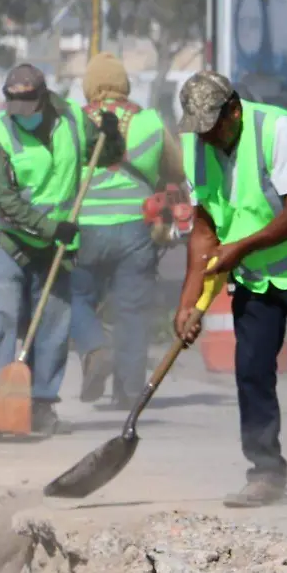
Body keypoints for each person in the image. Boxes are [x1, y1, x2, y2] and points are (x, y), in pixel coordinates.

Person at [174, 71, 287, 509]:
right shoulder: (197, 146)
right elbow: (203, 228)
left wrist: (240, 248)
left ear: (233, 110)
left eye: (214, 126)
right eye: (199, 129)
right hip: (254, 274)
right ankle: (265, 472)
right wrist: (190, 301)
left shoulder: (276, 131)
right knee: (251, 368)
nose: (207, 137)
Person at [0, 64, 122, 436]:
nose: (20, 115)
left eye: (28, 106)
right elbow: (5, 202)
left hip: (56, 243)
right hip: (6, 238)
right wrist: (53, 227)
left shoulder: (72, 120)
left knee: (53, 324)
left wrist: (111, 135)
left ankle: (40, 404)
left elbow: (104, 155)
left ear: (43, 98)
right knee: (1, 318)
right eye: (13, 107)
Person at [69, 53, 186, 409]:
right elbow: (176, 170)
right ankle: (130, 391)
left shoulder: (74, 122)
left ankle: (95, 349)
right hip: (137, 230)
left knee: (75, 296)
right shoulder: (150, 122)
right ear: (124, 85)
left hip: (84, 227)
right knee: (132, 310)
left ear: (89, 86)